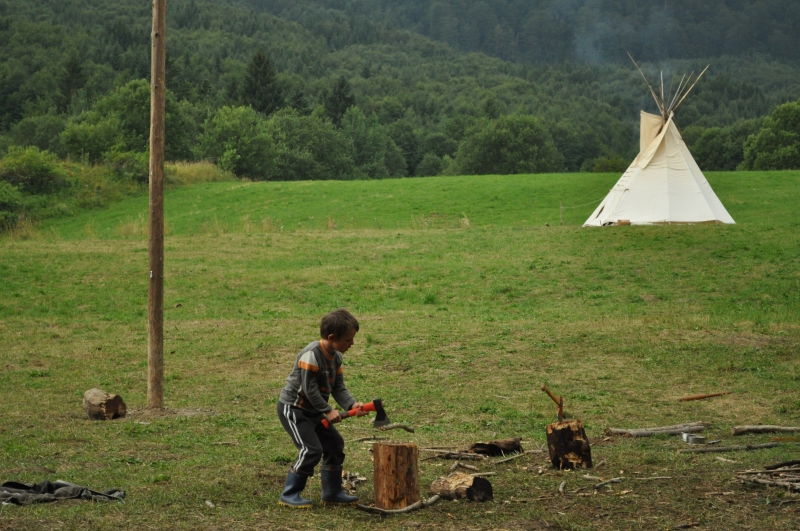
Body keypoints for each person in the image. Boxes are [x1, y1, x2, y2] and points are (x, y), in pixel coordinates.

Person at [276, 308, 367, 508]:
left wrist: (352, 404)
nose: (352, 343)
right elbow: (308, 389)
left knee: (334, 443)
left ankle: (332, 492)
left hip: (315, 410)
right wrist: (327, 410)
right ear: (332, 337)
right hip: (295, 409)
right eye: (348, 340)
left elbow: (338, 388)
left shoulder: (336, 357)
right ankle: (289, 494)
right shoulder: (311, 355)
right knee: (311, 449)